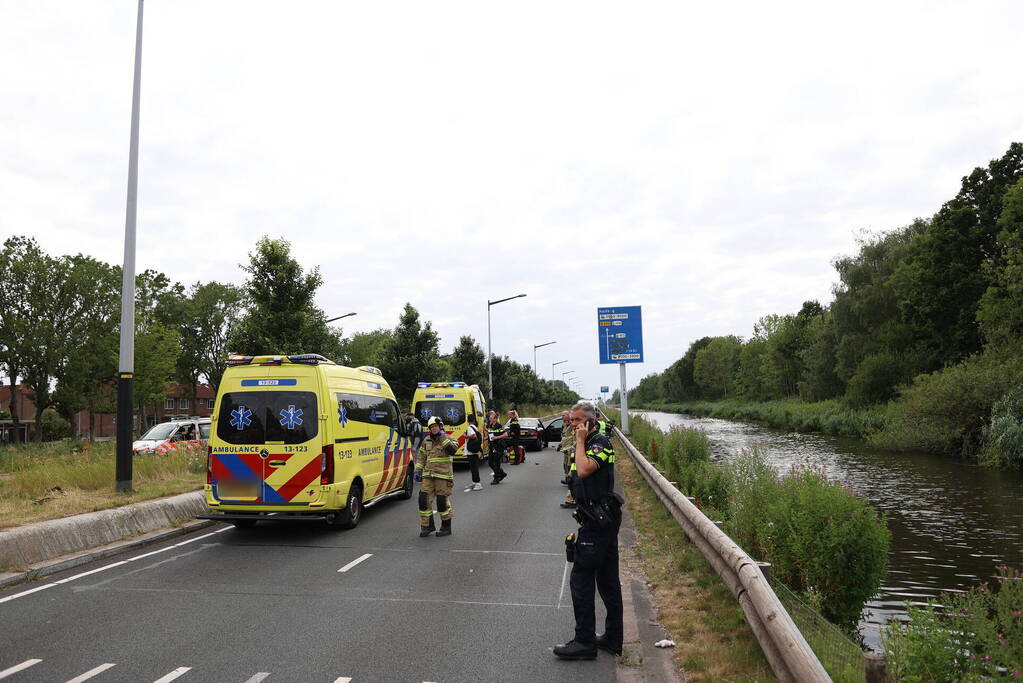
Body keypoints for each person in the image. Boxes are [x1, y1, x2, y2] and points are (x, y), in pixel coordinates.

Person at [553, 401, 624, 661]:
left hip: (598, 522)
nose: (573, 424)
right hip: (597, 519)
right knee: (607, 581)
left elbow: (584, 470)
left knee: (581, 581)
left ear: (591, 421)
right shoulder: (589, 441)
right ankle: (613, 639)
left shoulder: (598, 443)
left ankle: (584, 642)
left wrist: (580, 440)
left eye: (578, 420)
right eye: (571, 420)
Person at [414, 417, 456, 537]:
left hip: (443, 476)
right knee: (423, 499)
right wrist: (418, 471)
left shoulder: (449, 438)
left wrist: (443, 437)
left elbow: (452, 450)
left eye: (436, 426)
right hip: (428, 475)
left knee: (442, 502)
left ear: (440, 426)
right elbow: (421, 457)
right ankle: (427, 526)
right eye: (432, 427)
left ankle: (446, 526)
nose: (434, 428)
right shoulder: (426, 440)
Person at [557, 411, 577, 509]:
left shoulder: (574, 427)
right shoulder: (565, 425)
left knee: (572, 476)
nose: (562, 417)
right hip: (568, 451)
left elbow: (576, 440)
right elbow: (565, 437)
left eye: (563, 415)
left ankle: (572, 500)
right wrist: (561, 445)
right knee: (567, 469)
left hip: (572, 452)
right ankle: (572, 499)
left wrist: (569, 449)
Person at [485, 410, 508, 484]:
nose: (489, 419)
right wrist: (485, 438)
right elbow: (490, 435)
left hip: (498, 447)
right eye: (489, 418)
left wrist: (496, 437)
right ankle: (502, 473)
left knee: (496, 463)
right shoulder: (491, 426)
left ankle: (496, 478)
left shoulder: (499, 425)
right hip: (492, 446)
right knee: (490, 463)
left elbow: (505, 434)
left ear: (495, 419)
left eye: (491, 418)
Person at [463, 414, 484, 492]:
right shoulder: (474, 427)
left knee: (474, 468)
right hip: (474, 450)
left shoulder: (469, 427)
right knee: (473, 468)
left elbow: (474, 436)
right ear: (474, 420)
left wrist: (466, 437)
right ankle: (474, 482)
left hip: (471, 451)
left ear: (468, 420)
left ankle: (478, 484)